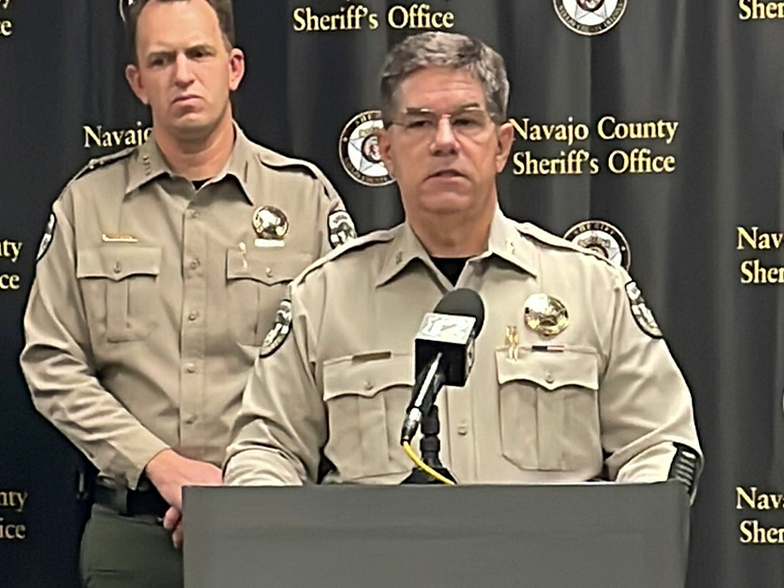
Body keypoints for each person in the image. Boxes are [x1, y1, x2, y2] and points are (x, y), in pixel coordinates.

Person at [19, 0, 353, 588]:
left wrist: (251, 484)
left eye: (198, 55)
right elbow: (52, 363)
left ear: (233, 67)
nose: (182, 75)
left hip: (277, 524)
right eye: (161, 60)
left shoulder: (305, 203)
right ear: (137, 81)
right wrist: (161, 465)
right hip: (139, 534)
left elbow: (346, 368)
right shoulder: (88, 204)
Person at [224, 32, 701, 487]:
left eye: (467, 121)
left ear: (502, 146)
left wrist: (627, 538)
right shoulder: (325, 297)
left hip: (551, 569)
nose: (445, 141)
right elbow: (267, 449)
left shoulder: (592, 289)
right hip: (377, 570)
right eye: (420, 123)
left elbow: (657, 443)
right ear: (385, 150)